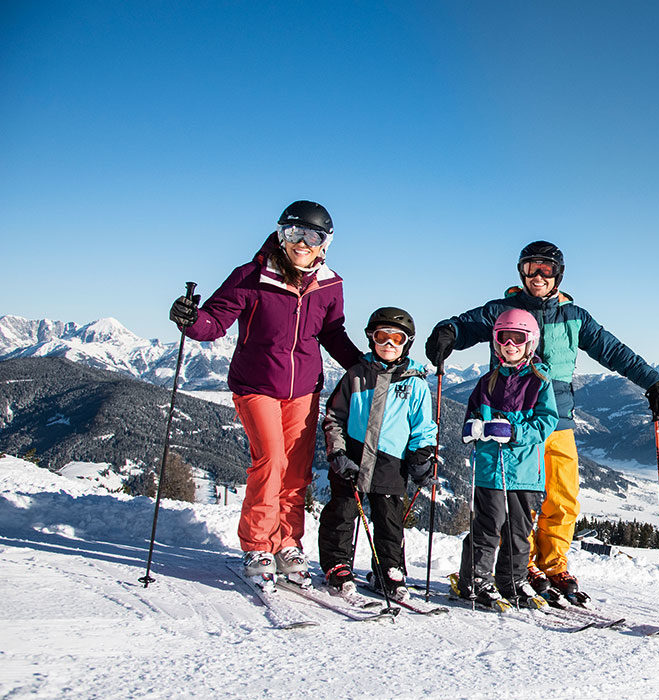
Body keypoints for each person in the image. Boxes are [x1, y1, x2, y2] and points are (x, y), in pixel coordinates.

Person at [425, 241, 659, 604]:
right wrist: (447, 334)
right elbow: (463, 325)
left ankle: (553, 563)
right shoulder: (502, 310)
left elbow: (612, 350)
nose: (537, 276)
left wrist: (650, 379)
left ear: (559, 274)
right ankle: (517, 565)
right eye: (530, 268)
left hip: (557, 418)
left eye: (546, 269)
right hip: (509, 421)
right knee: (512, 497)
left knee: (562, 496)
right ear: (520, 272)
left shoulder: (574, 317)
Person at [169, 200, 361, 588]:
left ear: (326, 243)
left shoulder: (330, 285)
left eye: (312, 236)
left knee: (296, 471)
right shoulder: (251, 276)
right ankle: (258, 543)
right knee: (271, 460)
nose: (302, 243)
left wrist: (363, 365)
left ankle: (287, 541)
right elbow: (214, 321)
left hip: (304, 389)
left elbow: (332, 333)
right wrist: (191, 320)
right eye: (294, 233)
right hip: (256, 385)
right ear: (280, 234)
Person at [318, 307, 439, 602]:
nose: (388, 344)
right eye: (381, 337)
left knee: (389, 519)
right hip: (353, 457)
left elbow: (423, 427)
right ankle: (337, 564)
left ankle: (390, 568)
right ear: (371, 338)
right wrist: (338, 452)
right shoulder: (356, 375)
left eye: (396, 338)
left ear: (406, 343)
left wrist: (421, 457)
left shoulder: (415, 384)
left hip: (390, 461)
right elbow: (334, 417)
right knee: (342, 512)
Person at [450, 309, 558, 609]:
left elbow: (546, 423)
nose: (510, 344)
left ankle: (513, 579)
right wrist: (472, 429)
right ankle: (475, 579)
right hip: (491, 469)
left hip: (524, 470)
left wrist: (513, 431)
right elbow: (471, 417)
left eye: (518, 338)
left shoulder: (540, 382)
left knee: (519, 529)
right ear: (496, 343)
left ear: (530, 343)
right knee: (488, 526)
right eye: (503, 338)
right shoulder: (486, 383)